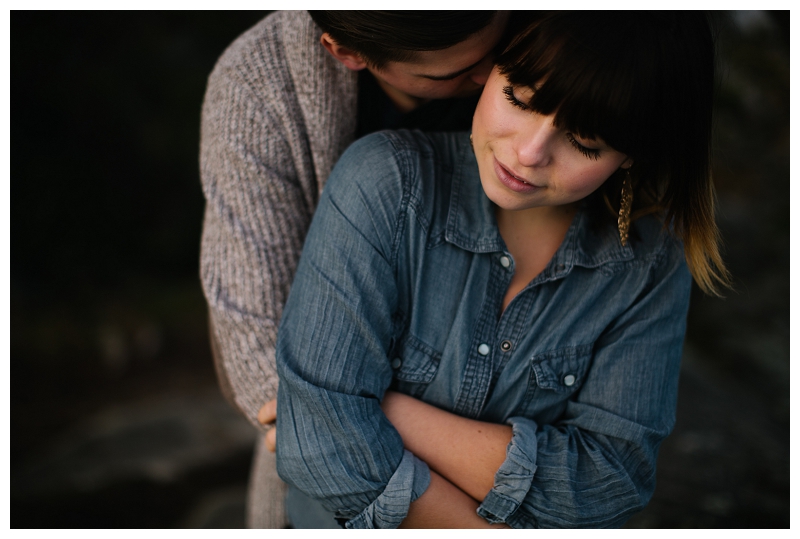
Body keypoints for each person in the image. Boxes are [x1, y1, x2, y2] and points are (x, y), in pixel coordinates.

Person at [265, 11, 731, 528]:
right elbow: (318, 451)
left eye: (584, 143)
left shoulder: (650, 263)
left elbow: (608, 483)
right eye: (520, 99)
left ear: (629, 155)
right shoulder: (386, 184)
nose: (530, 153)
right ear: (492, 68)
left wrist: (387, 410)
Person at [199, 10, 513, 528]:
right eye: (450, 73)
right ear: (346, 52)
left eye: (496, 49)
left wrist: (334, 402)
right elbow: (261, 356)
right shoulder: (257, 86)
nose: (490, 78)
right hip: (350, 492)